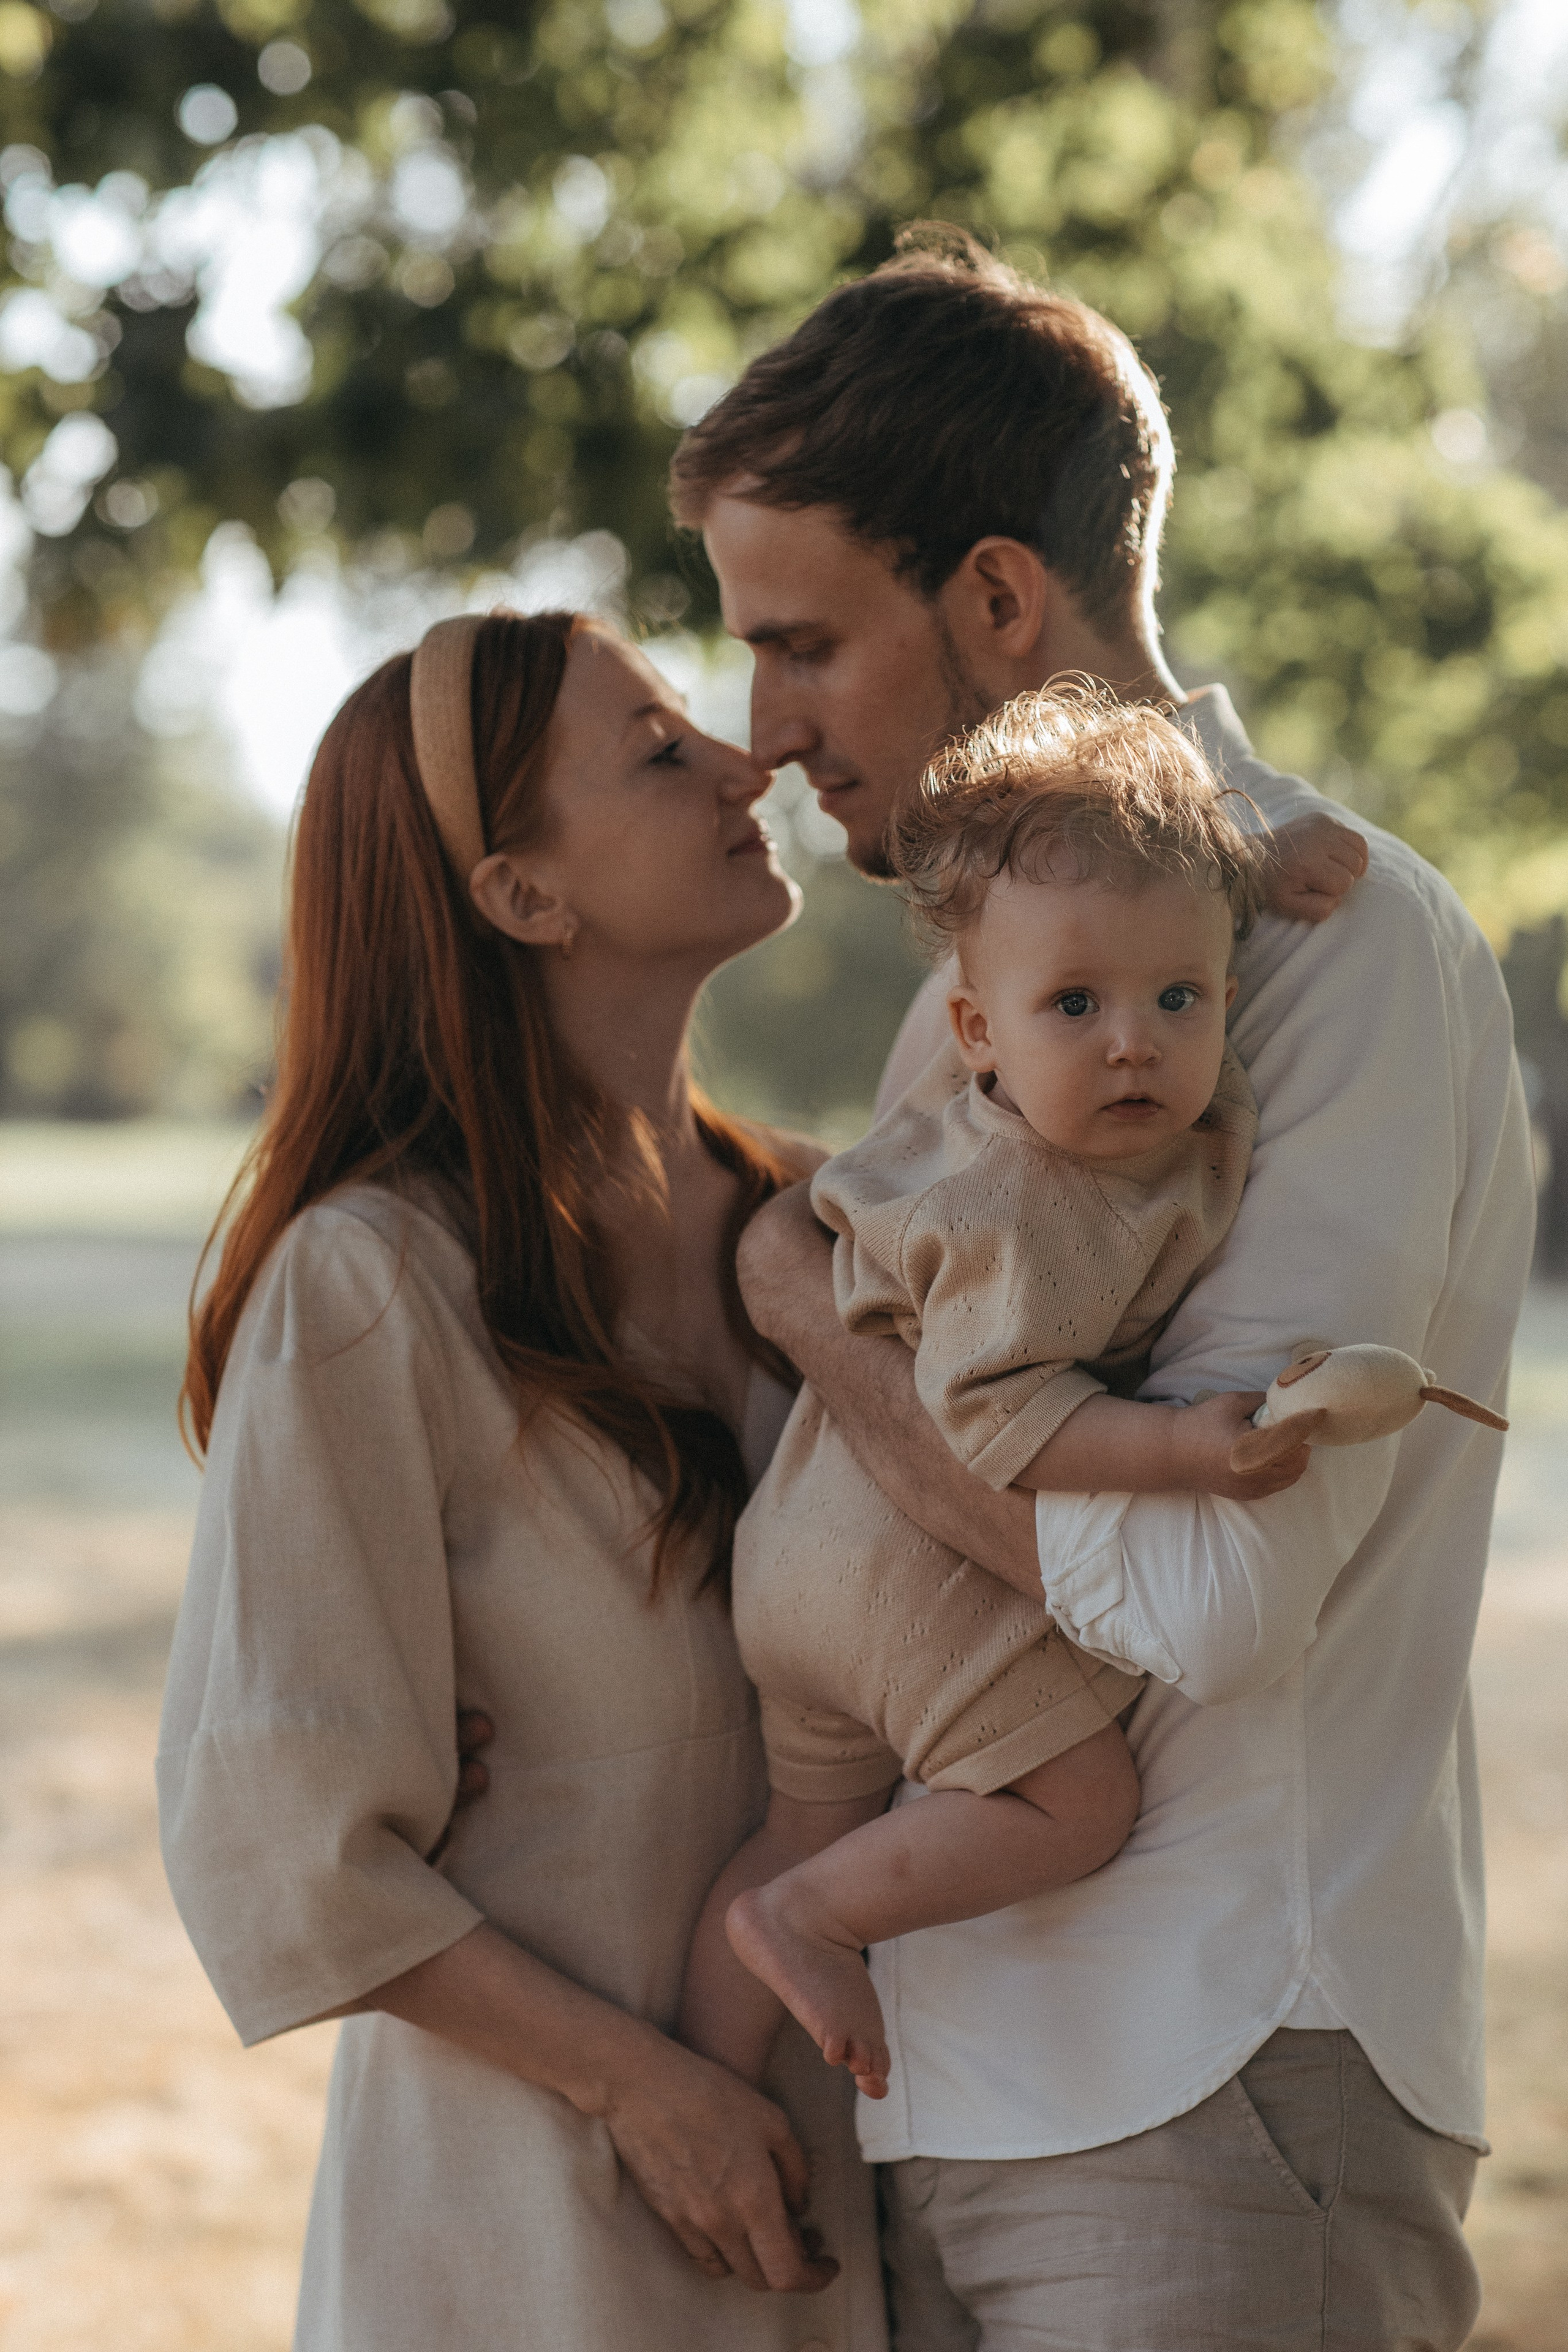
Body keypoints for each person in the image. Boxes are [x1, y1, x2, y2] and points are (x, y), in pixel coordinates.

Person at [669, 230, 1535, 2347]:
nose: (762, 733)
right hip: (950, 2086)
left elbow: (1219, 1606)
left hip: (1216, 2093)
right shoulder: (975, 988)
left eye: (801, 646)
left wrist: (821, 1338)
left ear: (993, 597)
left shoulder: (1331, 955)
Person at [156, 609, 890, 2349]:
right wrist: (653, 2095)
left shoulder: (837, 1228)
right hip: (531, 2217)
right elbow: (287, 1838)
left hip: (866, 2172)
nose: (748, 759)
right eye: (656, 749)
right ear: (521, 897)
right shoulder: (368, 1286)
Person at [681, 687, 1288, 2103]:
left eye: (1176, 997)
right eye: (1072, 1005)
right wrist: (1178, 1452)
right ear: (978, 1030)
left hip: (796, 1558)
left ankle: (717, 2076)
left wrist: (1274, 859)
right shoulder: (1036, 1204)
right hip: (906, 1568)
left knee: (794, 1824)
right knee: (1078, 1805)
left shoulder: (966, 1130)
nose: (1131, 1041)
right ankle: (809, 1921)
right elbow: (992, 1422)